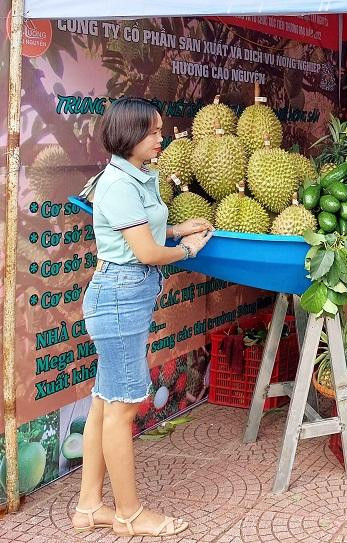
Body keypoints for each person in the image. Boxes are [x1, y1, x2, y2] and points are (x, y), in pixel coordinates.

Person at [71, 98, 213, 537]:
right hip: (119, 299)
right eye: (152, 132)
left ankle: (89, 507)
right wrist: (188, 251)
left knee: (103, 403)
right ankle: (129, 516)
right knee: (126, 405)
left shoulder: (136, 178)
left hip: (122, 297)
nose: (160, 138)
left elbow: (140, 232)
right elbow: (147, 253)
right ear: (131, 136)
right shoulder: (118, 183)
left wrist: (177, 228)